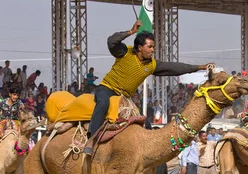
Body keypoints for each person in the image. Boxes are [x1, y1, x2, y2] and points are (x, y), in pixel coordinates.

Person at [83, 19, 214, 156]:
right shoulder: (125, 52)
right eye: (150, 47)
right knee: (103, 103)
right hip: (107, 89)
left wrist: (200, 67)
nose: (152, 50)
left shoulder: (152, 65)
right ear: (140, 47)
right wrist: (131, 31)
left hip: (124, 98)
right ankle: (91, 140)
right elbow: (111, 41)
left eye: (153, 47)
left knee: (145, 123)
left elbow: (175, 68)